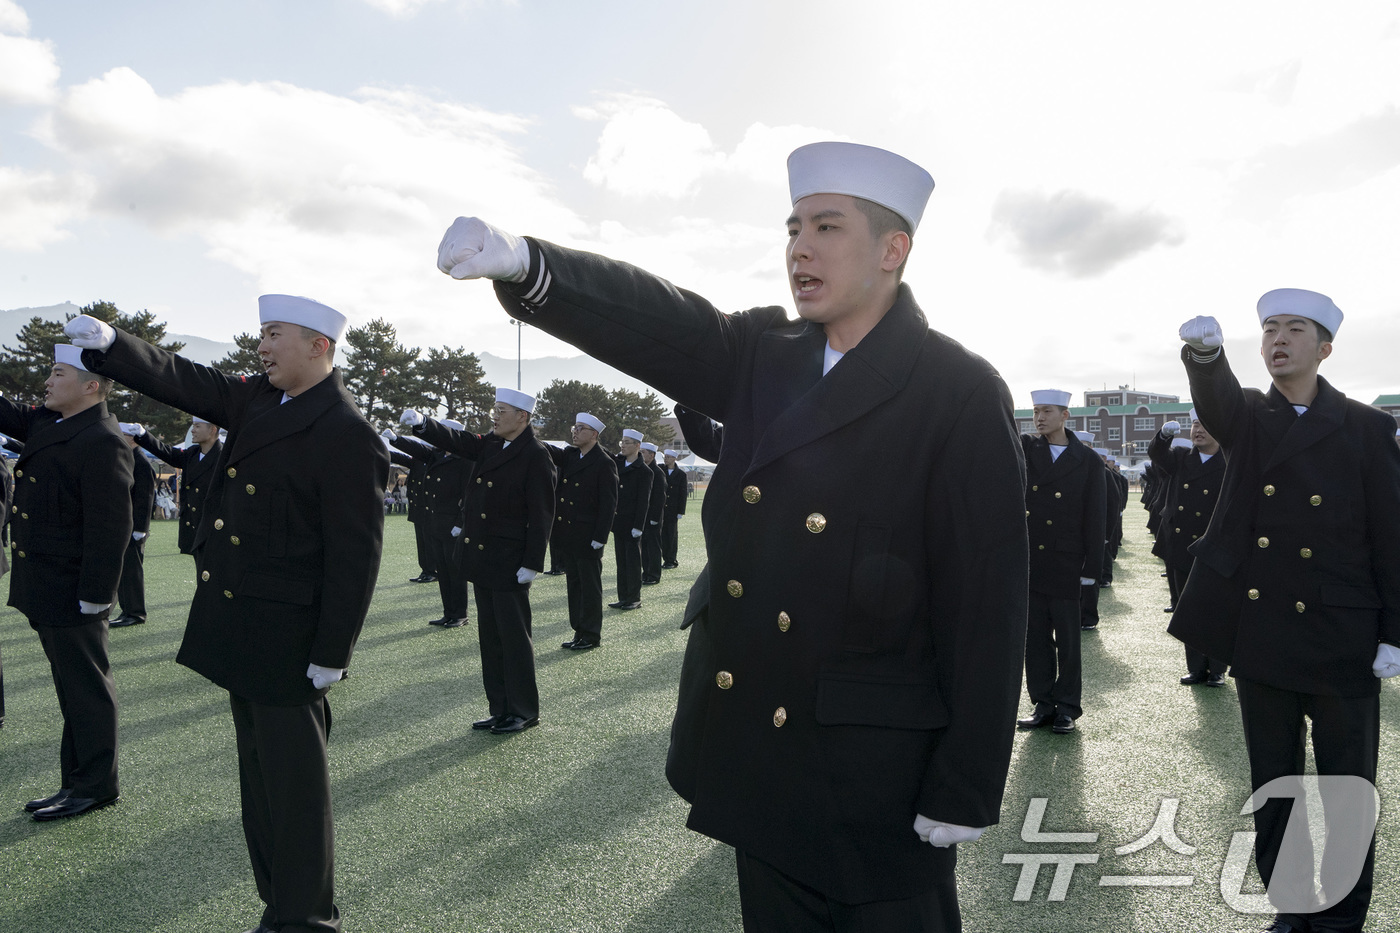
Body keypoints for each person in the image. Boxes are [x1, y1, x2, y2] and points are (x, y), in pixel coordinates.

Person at [435, 140, 1028, 931]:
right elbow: (661, 322)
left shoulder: (957, 389)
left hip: (875, 769)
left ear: (894, 250)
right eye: (791, 228)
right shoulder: (764, 353)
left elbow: (987, 603)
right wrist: (531, 266)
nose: (799, 248)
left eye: (826, 226)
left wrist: (965, 781)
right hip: (759, 746)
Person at [65, 294, 389, 933]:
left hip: (292, 637)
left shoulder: (346, 430)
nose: (261, 347)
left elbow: (356, 556)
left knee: (295, 791)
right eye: (260, 334)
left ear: (319, 346)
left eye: (274, 335)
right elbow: (189, 380)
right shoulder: (261, 400)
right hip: (245, 626)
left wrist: (333, 651)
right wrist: (114, 344)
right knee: (262, 786)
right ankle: (283, 904)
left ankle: (307, 918)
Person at [1172, 289, 1400, 933]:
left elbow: (1391, 534)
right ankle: (1293, 906)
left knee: (1349, 791)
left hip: (1342, 636)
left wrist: (1394, 630)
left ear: (1324, 348)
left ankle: (1342, 916)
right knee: (1276, 785)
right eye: (1270, 329)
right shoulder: (1247, 415)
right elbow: (1215, 402)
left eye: (1295, 330)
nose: (1278, 340)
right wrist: (1206, 356)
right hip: (1264, 632)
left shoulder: (1366, 426)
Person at [0, 344, 133, 820]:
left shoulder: (102, 438)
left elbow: (110, 526)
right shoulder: (51, 423)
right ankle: (75, 781)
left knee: (87, 690)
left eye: (57, 374)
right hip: (46, 585)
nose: (47, 382)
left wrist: (97, 596)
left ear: (90, 386)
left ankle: (97, 785)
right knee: (70, 688)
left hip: (74, 589)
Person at [400, 387, 555, 734]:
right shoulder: (492, 444)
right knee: (491, 640)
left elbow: (542, 513)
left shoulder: (535, 454)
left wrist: (533, 561)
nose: (494, 416)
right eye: (494, 410)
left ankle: (524, 710)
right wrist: (425, 424)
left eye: (501, 411)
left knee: (514, 640)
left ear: (522, 417)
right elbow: (459, 440)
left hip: (511, 561)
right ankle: (500, 708)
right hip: (484, 559)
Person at [1017, 390, 1105, 734]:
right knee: (1035, 638)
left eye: (1047, 411)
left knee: (1068, 641)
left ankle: (1067, 706)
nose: (1039, 418)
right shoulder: (1027, 449)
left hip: (1067, 559)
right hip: (1032, 557)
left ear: (1065, 415)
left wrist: (1091, 571)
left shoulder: (1088, 460)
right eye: (1036, 411)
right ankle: (1042, 702)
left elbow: (1095, 519)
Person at [1150, 411, 1227, 686]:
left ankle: (1217, 668)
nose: (1199, 430)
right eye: (1195, 423)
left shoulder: (1229, 461)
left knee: (1215, 608)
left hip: (1215, 546)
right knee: (1188, 607)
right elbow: (1158, 455)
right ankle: (1196, 667)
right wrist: (1163, 437)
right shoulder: (1181, 456)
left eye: (1205, 424)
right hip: (1182, 545)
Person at [389, 425, 475, 627]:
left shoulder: (465, 458)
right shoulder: (437, 455)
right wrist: (396, 440)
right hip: (435, 522)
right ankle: (449, 613)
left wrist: (460, 523)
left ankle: (460, 614)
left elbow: (470, 494)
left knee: (455, 571)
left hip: (453, 523)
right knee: (443, 571)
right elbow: (416, 452)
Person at [548, 412, 618, 650]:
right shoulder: (570, 455)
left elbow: (608, 504)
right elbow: (545, 449)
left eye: (581, 428)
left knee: (589, 588)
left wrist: (600, 537)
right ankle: (579, 630)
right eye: (574, 428)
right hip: (568, 533)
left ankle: (591, 635)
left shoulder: (604, 462)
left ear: (594, 434)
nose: (575, 432)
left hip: (589, 537)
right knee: (574, 585)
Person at [131, 416, 224, 557]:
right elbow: (166, 452)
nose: (193, 430)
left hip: (215, 530)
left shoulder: (224, 457)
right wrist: (144, 436)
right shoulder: (192, 454)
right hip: (194, 528)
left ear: (212, 429)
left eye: (197, 426)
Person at [111, 425, 157, 627]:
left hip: (134, 527)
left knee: (132, 571)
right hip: (123, 524)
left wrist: (141, 529)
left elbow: (145, 498)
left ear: (132, 438)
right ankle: (127, 609)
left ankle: (135, 612)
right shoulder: (128, 457)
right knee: (124, 570)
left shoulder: (141, 461)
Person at [609, 429, 652, 610]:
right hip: (619, 522)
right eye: (622, 442)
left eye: (627, 442)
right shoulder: (618, 464)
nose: (623, 445)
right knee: (621, 562)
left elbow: (644, 502)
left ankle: (634, 598)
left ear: (637, 446)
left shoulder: (644, 471)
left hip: (633, 523)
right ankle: (623, 597)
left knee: (633, 563)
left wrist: (639, 526)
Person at [640, 441, 667, 584]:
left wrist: (655, 517)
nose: (641, 454)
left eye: (643, 452)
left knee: (653, 547)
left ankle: (654, 575)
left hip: (653, 517)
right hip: (643, 517)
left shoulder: (657, 472)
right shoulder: (643, 469)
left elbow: (660, 496)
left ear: (651, 455)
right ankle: (646, 572)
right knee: (644, 546)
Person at [660, 448, 688, 569]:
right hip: (661, 508)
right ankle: (663, 558)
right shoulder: (661, 470)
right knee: (661, 535)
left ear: (674, 459)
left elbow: (683, 493)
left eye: (668, 457)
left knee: (671, 535)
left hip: (672, 510)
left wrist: (681, 511)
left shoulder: (681, 474)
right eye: (665, 457)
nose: (666, 459)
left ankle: (671, 560)